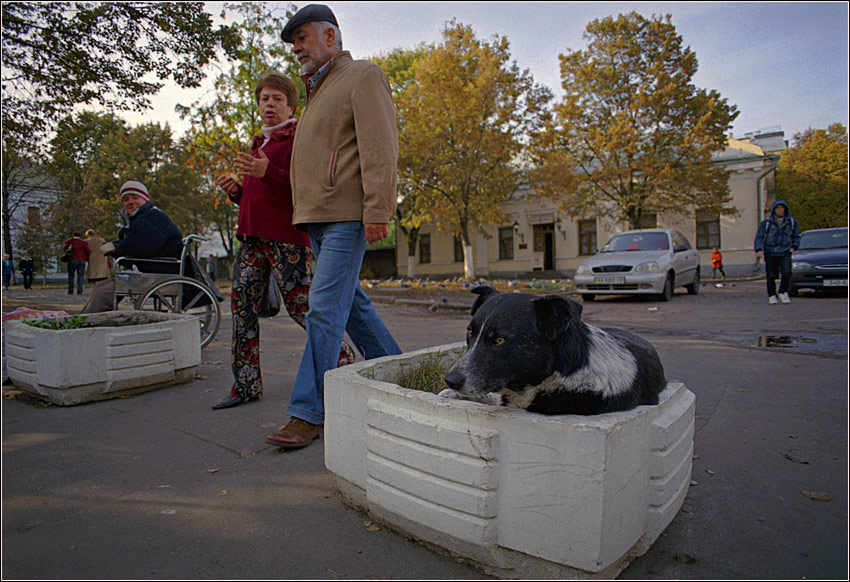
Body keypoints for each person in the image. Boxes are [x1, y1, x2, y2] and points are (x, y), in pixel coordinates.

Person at [265, 4, 402, 449]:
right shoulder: (317, 90)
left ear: (330, 37)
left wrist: (378, 208)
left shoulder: (362, 75)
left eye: (302, 37)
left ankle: (308, 412)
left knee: (322, 308)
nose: (297, 48)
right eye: (293, 42)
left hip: (346, 215)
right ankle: (401, 375)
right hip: (319, 218)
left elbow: (380, 145)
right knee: (354, 307)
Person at [211, 72, 355, 411]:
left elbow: (308, 187)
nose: (269, 104)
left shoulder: (300, 138)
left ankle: (347, 364)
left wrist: (268, 173)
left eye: (277, 99)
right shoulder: (258, 143)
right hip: (250, 239)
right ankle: (245, 384)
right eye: (264, 99)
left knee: (302, 309)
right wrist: (238, 193)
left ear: (291, 106)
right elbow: (259, 195)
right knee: (242, 308)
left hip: (287, 240)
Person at [81, 181, 183, 313]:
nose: (130, 202)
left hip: (158, 271)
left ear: (145, 199)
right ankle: (88, 319)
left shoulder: (150, 217)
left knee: (104, 292)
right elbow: (136, 242)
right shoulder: (146, 216)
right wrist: (118, 246)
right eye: (126, 199)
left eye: (135, 198)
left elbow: (137, 246)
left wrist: (116, 249)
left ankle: (86, 322)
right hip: (155, 268)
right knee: (102, 287)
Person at [754, 199, 800, 304]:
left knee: (787, 272)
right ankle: (772, 295)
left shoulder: (791, 222)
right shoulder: (766, 223)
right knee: (770, 275)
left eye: (782, 208)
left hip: (785, 251)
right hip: (770, 251)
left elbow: (796, 236)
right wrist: (758, 249)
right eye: (777, 208)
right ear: (774, 210)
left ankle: (783, 291)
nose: (780, 210)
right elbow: (759, 237)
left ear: (785, 209)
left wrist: (794, 247)